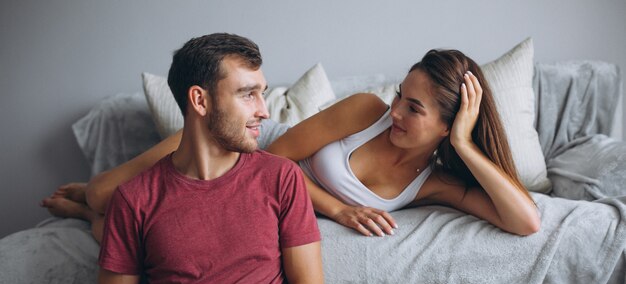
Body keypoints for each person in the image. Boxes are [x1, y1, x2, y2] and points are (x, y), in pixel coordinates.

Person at [3, 33, 324, 284]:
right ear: (200, 100)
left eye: (263, 93)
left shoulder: (280, 178)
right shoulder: (134, 197)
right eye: (247, 94)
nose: (264, 111)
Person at [42, 48, 540, 241]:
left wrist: (467, 146)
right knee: (107, 193)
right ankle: (92, 200)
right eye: (399, 96)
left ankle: (90, 215)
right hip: (247, 148)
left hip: (270, 193)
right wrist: (339, 211)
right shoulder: (367, 109)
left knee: (138, 225)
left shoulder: (434, 183)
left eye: (415, 109)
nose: (396, 112)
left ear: (449, 125)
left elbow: (526, 221)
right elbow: (270, 158)